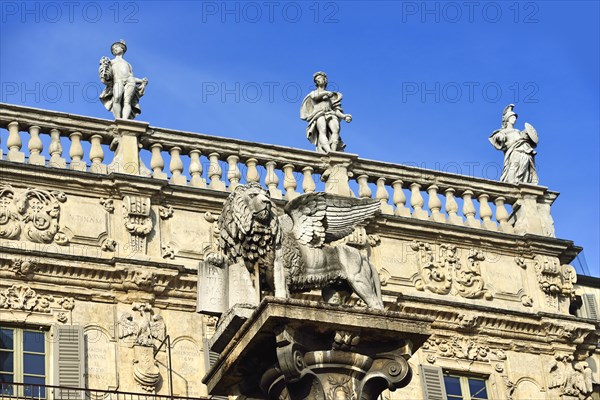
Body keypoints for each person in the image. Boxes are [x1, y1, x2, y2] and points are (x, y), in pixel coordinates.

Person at [300, 72, 352, 153]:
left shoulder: (333, 96)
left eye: (320, 78)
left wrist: (344, 116)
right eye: (316, 79)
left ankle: (333, 151)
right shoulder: (314, 93)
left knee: (336, 130)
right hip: (319, 114)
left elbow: (336, 109)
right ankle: (328, 151)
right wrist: (326, 93)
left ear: (325, 80)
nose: (318, 80)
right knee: (322, 130)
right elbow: (314, 96)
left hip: (331, 113)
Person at [489, 104, 539, 184]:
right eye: (512, 117)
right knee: (513, 168)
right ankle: (511, 184)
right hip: (514, 152)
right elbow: (496, 137)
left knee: (524, 169)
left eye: (515, 118)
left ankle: (523, 183)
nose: (514, 119)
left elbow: (525, 138)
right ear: (507, 119)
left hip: (525, 152)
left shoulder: (518, 131)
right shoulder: (503, 131)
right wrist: (500, 137)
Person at [99, 40, 148, 120]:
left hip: (130, 81)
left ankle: (125, 120)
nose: (114, 49)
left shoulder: (128, 64)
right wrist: (104, 67)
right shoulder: (111, 62)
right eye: (113, 49)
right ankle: (118, 119)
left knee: (127, 101)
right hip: (118, 81)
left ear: (122, 49)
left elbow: (131, 76)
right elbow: (106, 76)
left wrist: (141, 81)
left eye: (116, 47)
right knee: (117, 98)